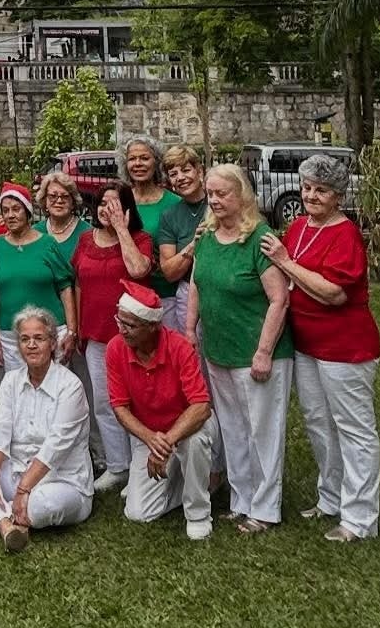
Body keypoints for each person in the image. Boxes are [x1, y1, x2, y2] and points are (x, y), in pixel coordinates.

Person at [261, 153, 380, 542]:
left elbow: (334, 294)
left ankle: (360, 517)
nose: (312, 196)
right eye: (308, 188)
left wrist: (285, 262)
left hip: (345, 346)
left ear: (338, 196)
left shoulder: (345, 234)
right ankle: (330, 497)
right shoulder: (297, 227)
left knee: (354, 429)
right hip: (307, 342)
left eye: (322, 191)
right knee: (317, 423)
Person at [187, 164, 293, 533]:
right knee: (232, 429)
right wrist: (189, 327)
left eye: (222, 193)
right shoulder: (206, 236)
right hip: (219, 349)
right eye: (211, 193)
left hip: (256, 352)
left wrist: (263, 351)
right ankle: (241, 498)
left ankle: (265, 508)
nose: (214, 200)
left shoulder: (260, 239)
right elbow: (197, 284)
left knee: (262, 430)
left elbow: (279, 299)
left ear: (241, 195)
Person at [0, 308, 94, 551]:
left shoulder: (70, 386)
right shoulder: (11, 381)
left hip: (63, 483)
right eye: (25, 339)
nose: (31, 345)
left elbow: (54, 449)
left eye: (39, 338)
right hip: (18, 474)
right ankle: (7, 524)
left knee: (39, 505)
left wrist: (24, 489)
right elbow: (0, 434)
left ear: (52, 343)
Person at [107, 282, 215, 538]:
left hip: (186, 428)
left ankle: (198, 513)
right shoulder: (115, 348)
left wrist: (165, 442)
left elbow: (201, 406)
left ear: (153, 326)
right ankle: (197, 482)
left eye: (130, 325)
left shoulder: (179, 347)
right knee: (138, 513)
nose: (122, 330)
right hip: (151, 435)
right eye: (119, 321)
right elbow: (120, 408)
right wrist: (151, 439)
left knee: (196, 442)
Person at [73, 185, 153, 492]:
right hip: (96, 334)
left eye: (115, 204)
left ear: (128, 209)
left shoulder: (141, 240)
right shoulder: (84, 241)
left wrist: (122, 229)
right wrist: (79, 327)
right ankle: (117, 465)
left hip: (133, 336)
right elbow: (79, 283)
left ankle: (141, 465)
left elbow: (138, 269)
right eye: (103, 204)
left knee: (135, 403)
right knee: (105, 403)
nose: (107, 209)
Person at [0, 182, 77, 374]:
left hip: (49, 332)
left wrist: (71, 330)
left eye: (16, 209)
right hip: (10, 335)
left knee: (54, 389)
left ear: (27, 211)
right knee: (17, 391)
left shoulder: (47, 243)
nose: (10, 215)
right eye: (5, 210)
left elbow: (65, 286)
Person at [121, 135, 183, 323]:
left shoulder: (174, 203)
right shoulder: (121, 200)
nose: (138, 164)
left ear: (156, 162)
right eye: (132, 159)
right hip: (129, 294)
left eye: (144, 158)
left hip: (166, 295)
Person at [158, 145, 209, 332]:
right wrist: (193, 245)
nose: (180, 177)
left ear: (200, 171)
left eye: (186, 170)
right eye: (173, 173)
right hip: (188, 294)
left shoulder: (218, 203)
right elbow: (169, 272)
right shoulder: (170, 216)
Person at [35, 169, 87, 260]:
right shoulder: (35, 232)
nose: (59, 201)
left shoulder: (87, 233)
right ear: (44, 200)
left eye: (65, 196)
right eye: (52, 196)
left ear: (73, 202)